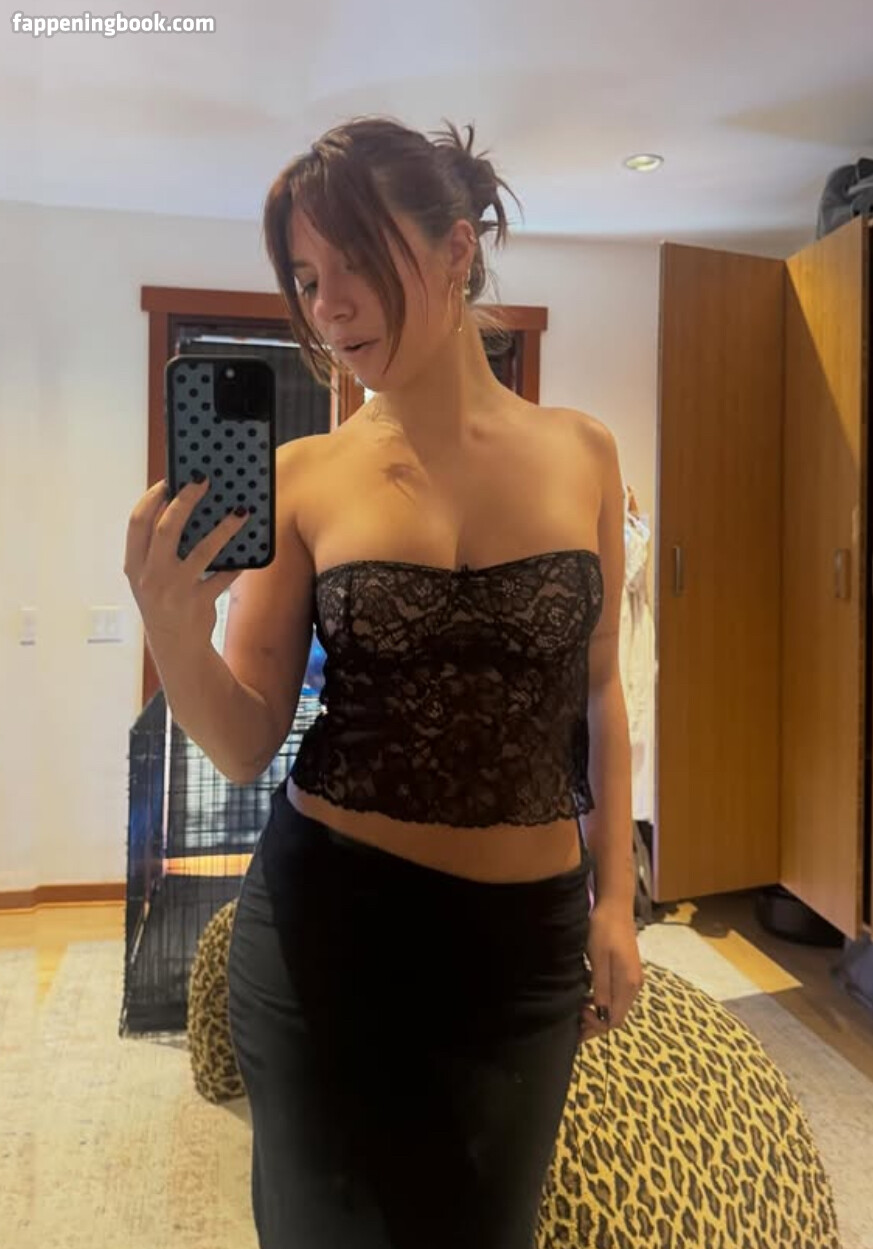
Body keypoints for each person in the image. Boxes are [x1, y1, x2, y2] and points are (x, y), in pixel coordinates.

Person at [124, 116, 643, 1249]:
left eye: (355, 260)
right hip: (329, 936)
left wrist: (616, 902)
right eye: (307, 278)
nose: (330, 304)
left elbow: (600, 695)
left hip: (522, 951)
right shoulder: (305, 477)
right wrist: (173, 631)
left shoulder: (586, 453)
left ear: (457, 250)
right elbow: (244, 741)